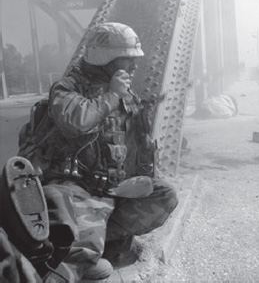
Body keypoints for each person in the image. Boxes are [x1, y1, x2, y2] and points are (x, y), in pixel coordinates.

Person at [18, 22, 178, 280]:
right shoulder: (68, 87)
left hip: (112, 189)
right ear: (107, 59)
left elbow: (135, 143)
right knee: (83, 262)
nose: (134, 67)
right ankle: (73, 258)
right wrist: (112, 95)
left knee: (164, 195)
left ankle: (100, 237)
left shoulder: (125, 93)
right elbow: (75, 122)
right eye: (128, 60)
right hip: (76, 189)